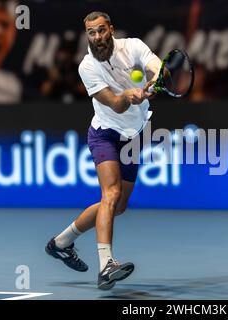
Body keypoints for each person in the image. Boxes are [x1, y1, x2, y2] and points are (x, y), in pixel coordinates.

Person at [45, 11, 162, 290]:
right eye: (91, 33)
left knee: (118, 206)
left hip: (134, 136)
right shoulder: (87, 67)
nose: (96, 37)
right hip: (105, 134)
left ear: (111, 29)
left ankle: (60, 243)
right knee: (111, 194)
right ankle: (106, 265)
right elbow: (114, 103)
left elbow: (156, 66)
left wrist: (155, 80)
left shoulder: (132, 46)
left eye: (101, 30)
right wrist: (127, 97)